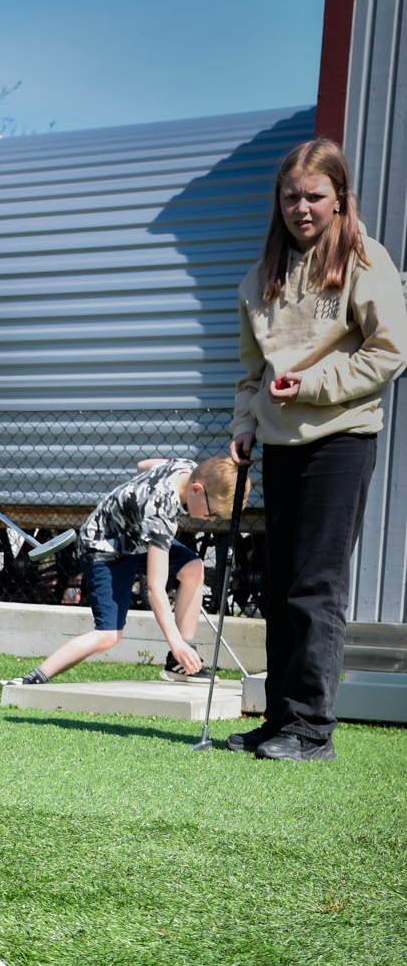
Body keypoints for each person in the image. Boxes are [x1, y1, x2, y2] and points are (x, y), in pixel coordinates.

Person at [226, 139, 406, 761]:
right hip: (279, 444)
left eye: (314, 196)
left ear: (339, 199)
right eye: (290, 196)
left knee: (316, 584)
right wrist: (245, 423)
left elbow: (389, 353)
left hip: (342, 437)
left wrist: (313, 384)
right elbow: (250, 374)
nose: (301, 208)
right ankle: (280, 721)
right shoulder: (260, 278)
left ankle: (312, 730)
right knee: (278, 587)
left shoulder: (364, 260)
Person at [1, 455, 248, 688]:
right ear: (196, 489)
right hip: (103, 548)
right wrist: (175, 642)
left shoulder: (185, 467)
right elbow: (154, 589)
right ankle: (32, 678)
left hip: (134, 540)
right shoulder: (159, 512)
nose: (212, 520)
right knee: (108, 635)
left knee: (192, 568)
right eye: (213, 513)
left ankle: (177, 664)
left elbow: (143, 465)